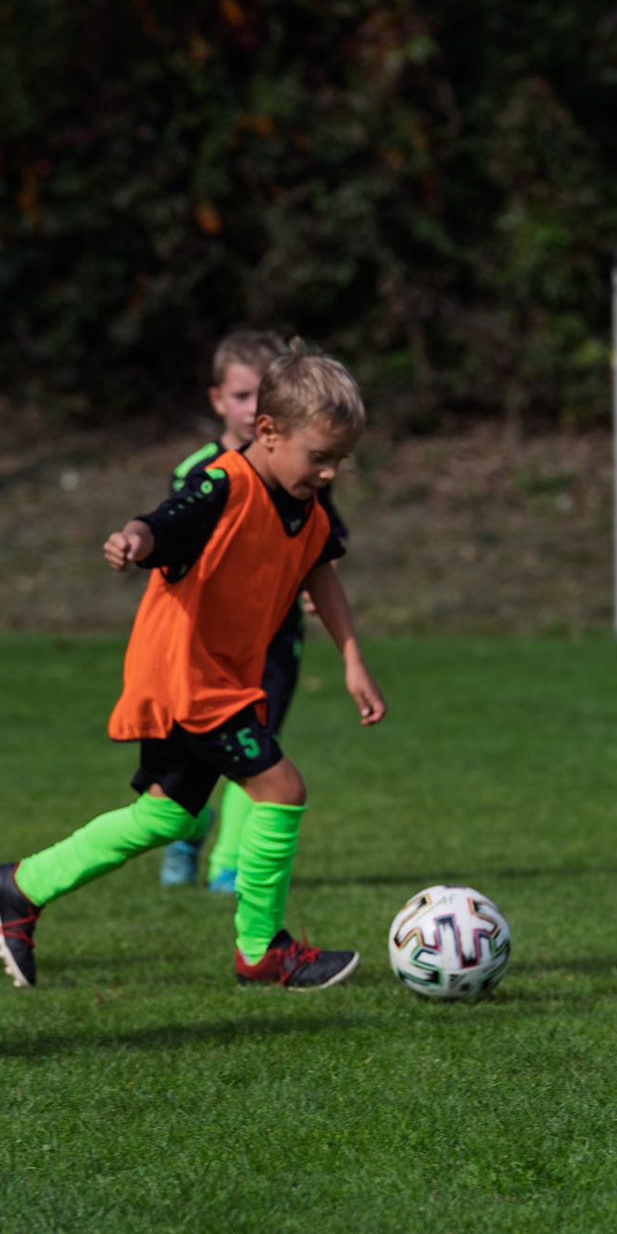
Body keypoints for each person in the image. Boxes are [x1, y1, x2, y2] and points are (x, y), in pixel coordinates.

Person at [0, 340, 385, 990]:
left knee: (167, 816)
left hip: (221, 681)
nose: (330, 472)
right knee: (282, 788)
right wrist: (133, 541)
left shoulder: (304, 506)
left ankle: (23, 885)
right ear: (268, 431)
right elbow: (163, 523)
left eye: (340, 459)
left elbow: (321, 569)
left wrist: (353, 659)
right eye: (320, 456)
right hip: (189, 680)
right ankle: (261, 949)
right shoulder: (224, 484)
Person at [160, 331, 348, 896]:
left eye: (261, 395)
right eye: (242, 396)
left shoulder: (303, 471)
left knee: (260, 748)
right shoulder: (201, 472)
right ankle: (188, 835)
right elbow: (178, 544)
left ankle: (230, 865)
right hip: (206, 647)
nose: (251, 408)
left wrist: (312, 584)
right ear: (218, 399)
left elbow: (321, 546)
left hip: (275, 641)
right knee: (194, 762)